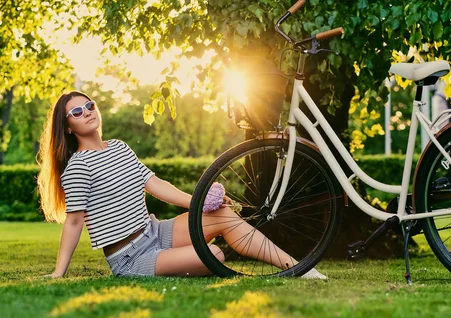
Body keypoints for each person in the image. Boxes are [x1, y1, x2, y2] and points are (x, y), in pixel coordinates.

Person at [37, 91, 326, 279]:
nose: (87, 112)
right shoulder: (78, 166)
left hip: (156, 232)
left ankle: (298, 269)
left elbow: (155, 184)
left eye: (89, 105)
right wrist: (58, 273)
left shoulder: (119, 147)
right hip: (130, 257)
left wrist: (200, 203)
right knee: (213, 255)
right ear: (67, 127)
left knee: (224, 216)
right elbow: (74, 222)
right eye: (77, 112)